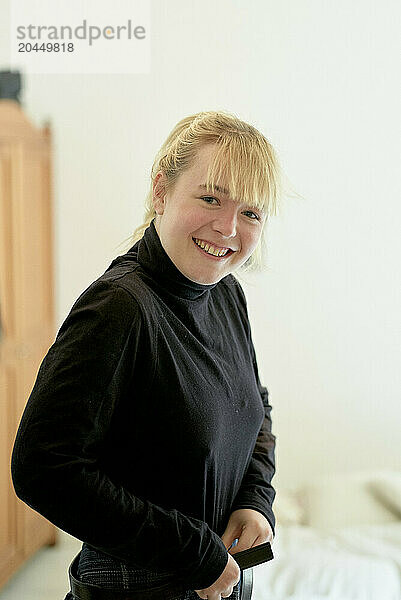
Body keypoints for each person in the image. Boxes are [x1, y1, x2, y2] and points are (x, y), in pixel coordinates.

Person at [11, 110, 281, 600]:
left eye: (251, 213)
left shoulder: (225, 294)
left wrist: (255, 498)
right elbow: (43, 468)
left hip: (217, 579)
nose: (227, 227)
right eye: (210, 198)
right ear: (161, 191)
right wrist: (192, 553)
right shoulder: (119, 308)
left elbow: (253, 405)